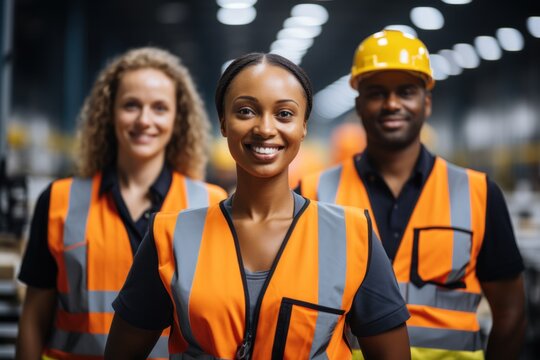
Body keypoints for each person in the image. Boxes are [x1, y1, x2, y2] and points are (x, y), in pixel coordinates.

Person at [104, 52, 411, 359]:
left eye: (285, 114)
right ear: (224, 123)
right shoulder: (169, 236)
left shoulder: (352, 235)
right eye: (246, 111)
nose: (265, 128)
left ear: (304, 125)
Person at [298, 30, 527, 359]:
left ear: (427, 102)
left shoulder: (479, 193)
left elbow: (511, 314)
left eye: (406, 92)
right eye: (377, 93)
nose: (392, 104)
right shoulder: (312, 193)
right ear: (359, 103)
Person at [15, 47, 228, 360]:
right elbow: (34, 318)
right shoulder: (59, 200)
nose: (144, 120)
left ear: (177, 119)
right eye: (131, 105)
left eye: (159, 108)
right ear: (109, 112)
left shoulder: (210, 204)